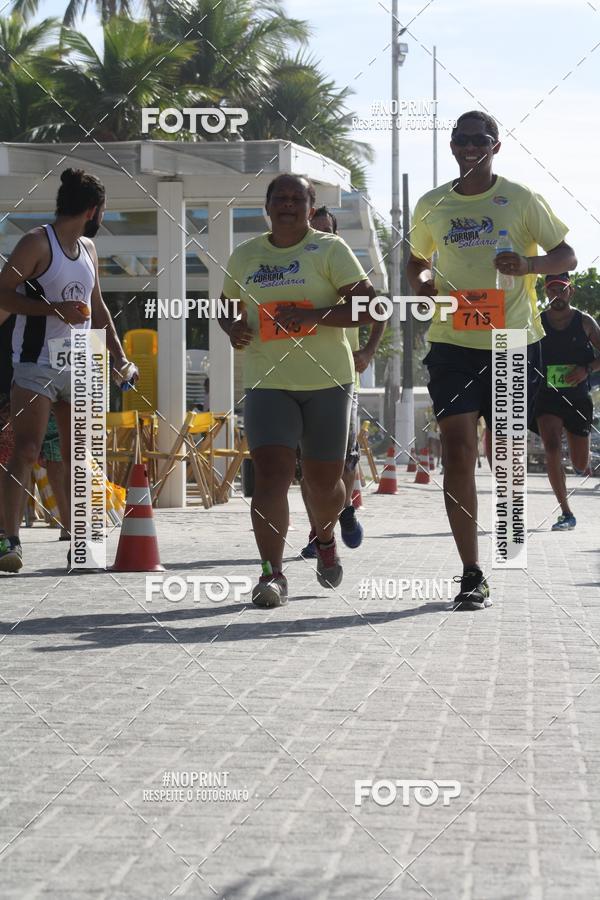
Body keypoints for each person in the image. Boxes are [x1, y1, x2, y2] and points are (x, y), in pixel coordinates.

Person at [407, 110, 577, 609]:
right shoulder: (432, 203)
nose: (468, 147)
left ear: (495, 146)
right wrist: (421, 288)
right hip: (452, 342)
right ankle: (471, 572)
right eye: (460, 140)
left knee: (501, 456)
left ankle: (509, 527)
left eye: (479, 140)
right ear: (452, 145)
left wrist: (529, 265)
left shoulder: (521, 199)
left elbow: (566, 255)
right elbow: (416, 264)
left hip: (510, 343)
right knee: (457, 451)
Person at [219, 173, 380, 607]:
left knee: (323, 484)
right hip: (267, 379)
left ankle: (325, 536)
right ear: (267, 207)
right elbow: (227, 304)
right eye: (280, 198)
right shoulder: (246, 255)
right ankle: (272, 574)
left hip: (328, 380)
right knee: (270, 476)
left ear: (311, 208)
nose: (287, 205)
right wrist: (232, 326)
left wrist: (312, 316)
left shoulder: (330, 249)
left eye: (297, 199)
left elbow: (369, 306)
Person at [0, 168, 138, 573]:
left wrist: (118, 355)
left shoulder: (89, 249)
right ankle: (9, 539)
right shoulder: (36, 242)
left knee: (81, 455)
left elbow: (98, 308)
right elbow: (2, 290)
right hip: (36, 358)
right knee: (27, 449)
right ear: (93, 208)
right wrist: (50, 309)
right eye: (103, 210)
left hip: (80, 356)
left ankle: (83, 543)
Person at [299, 205, 385, 557]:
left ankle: (333, 520)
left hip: (341, 378)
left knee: (344, 461)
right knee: (307, 467)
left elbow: (381, 308)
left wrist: (367, 351)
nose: (318, 236)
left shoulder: (345, 271)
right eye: (312, 229)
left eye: (325, 230)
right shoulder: (291, 269)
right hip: (297, 378)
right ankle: (329, 524)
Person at [532, 273, 600, 530]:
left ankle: (581, 462)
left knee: (580, 463)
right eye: (552, 291)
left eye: (562, 290)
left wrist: (587, 369)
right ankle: (566, 512)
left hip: (578, 398)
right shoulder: (537, 323)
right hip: (548, 397)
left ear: (571, 292)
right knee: (551, 447)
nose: (556, 296)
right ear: (546, 293)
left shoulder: (584, 322)